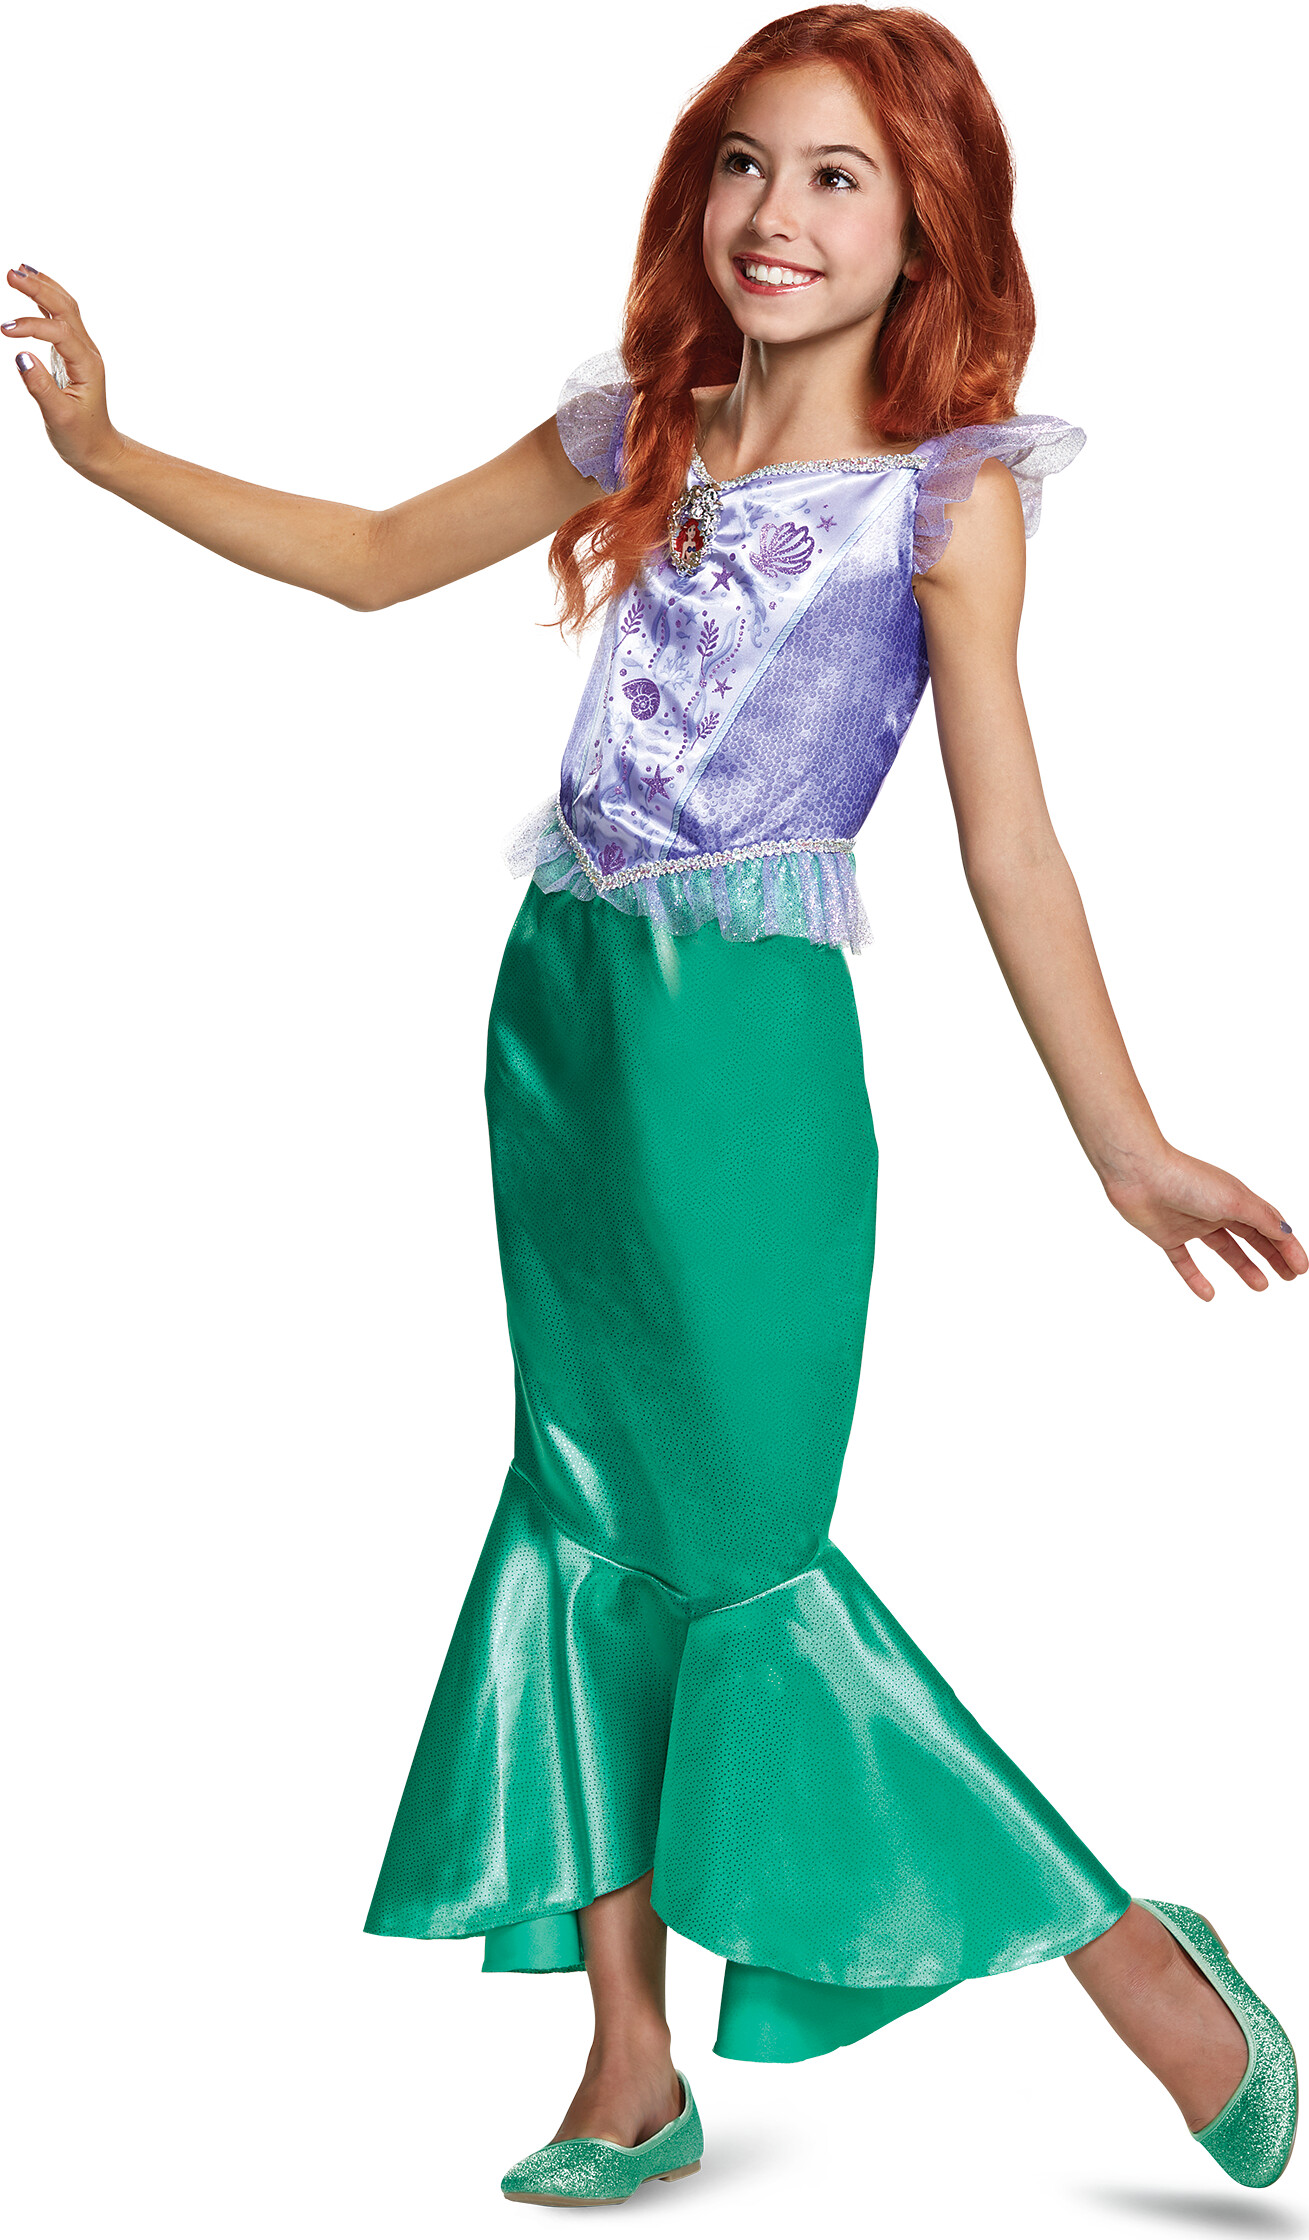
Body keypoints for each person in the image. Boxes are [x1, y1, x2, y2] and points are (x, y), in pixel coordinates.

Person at [8, 2, 1300, 2211]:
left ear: (926, 229)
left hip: (745, 1056)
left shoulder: (947, 496)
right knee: (577, 1514)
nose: (773, 214)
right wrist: (112, 456)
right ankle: (629, 2062)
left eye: (836, 178)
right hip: (563, 1015)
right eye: (743, 164)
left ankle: (1129, 1959)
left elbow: (1007, 838)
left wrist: (1125, 1142)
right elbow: (371, 554)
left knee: (749, 1564)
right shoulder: (643, 427)